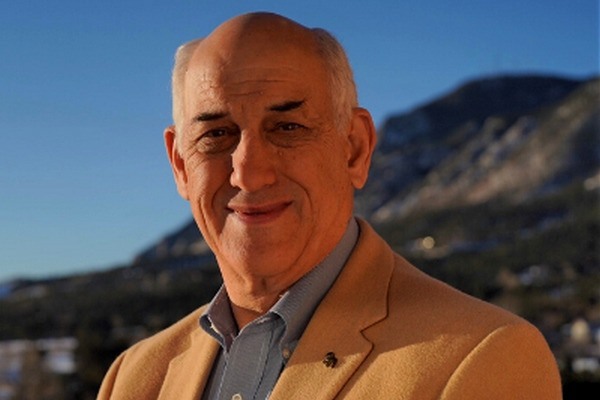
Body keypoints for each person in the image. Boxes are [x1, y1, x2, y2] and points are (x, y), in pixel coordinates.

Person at [98, 12, 562, 399]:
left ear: (354, 149)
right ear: (181, 165)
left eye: (288, 128)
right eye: (216, 134)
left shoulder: (484, 359)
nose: (249, 172)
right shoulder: (133, 379)